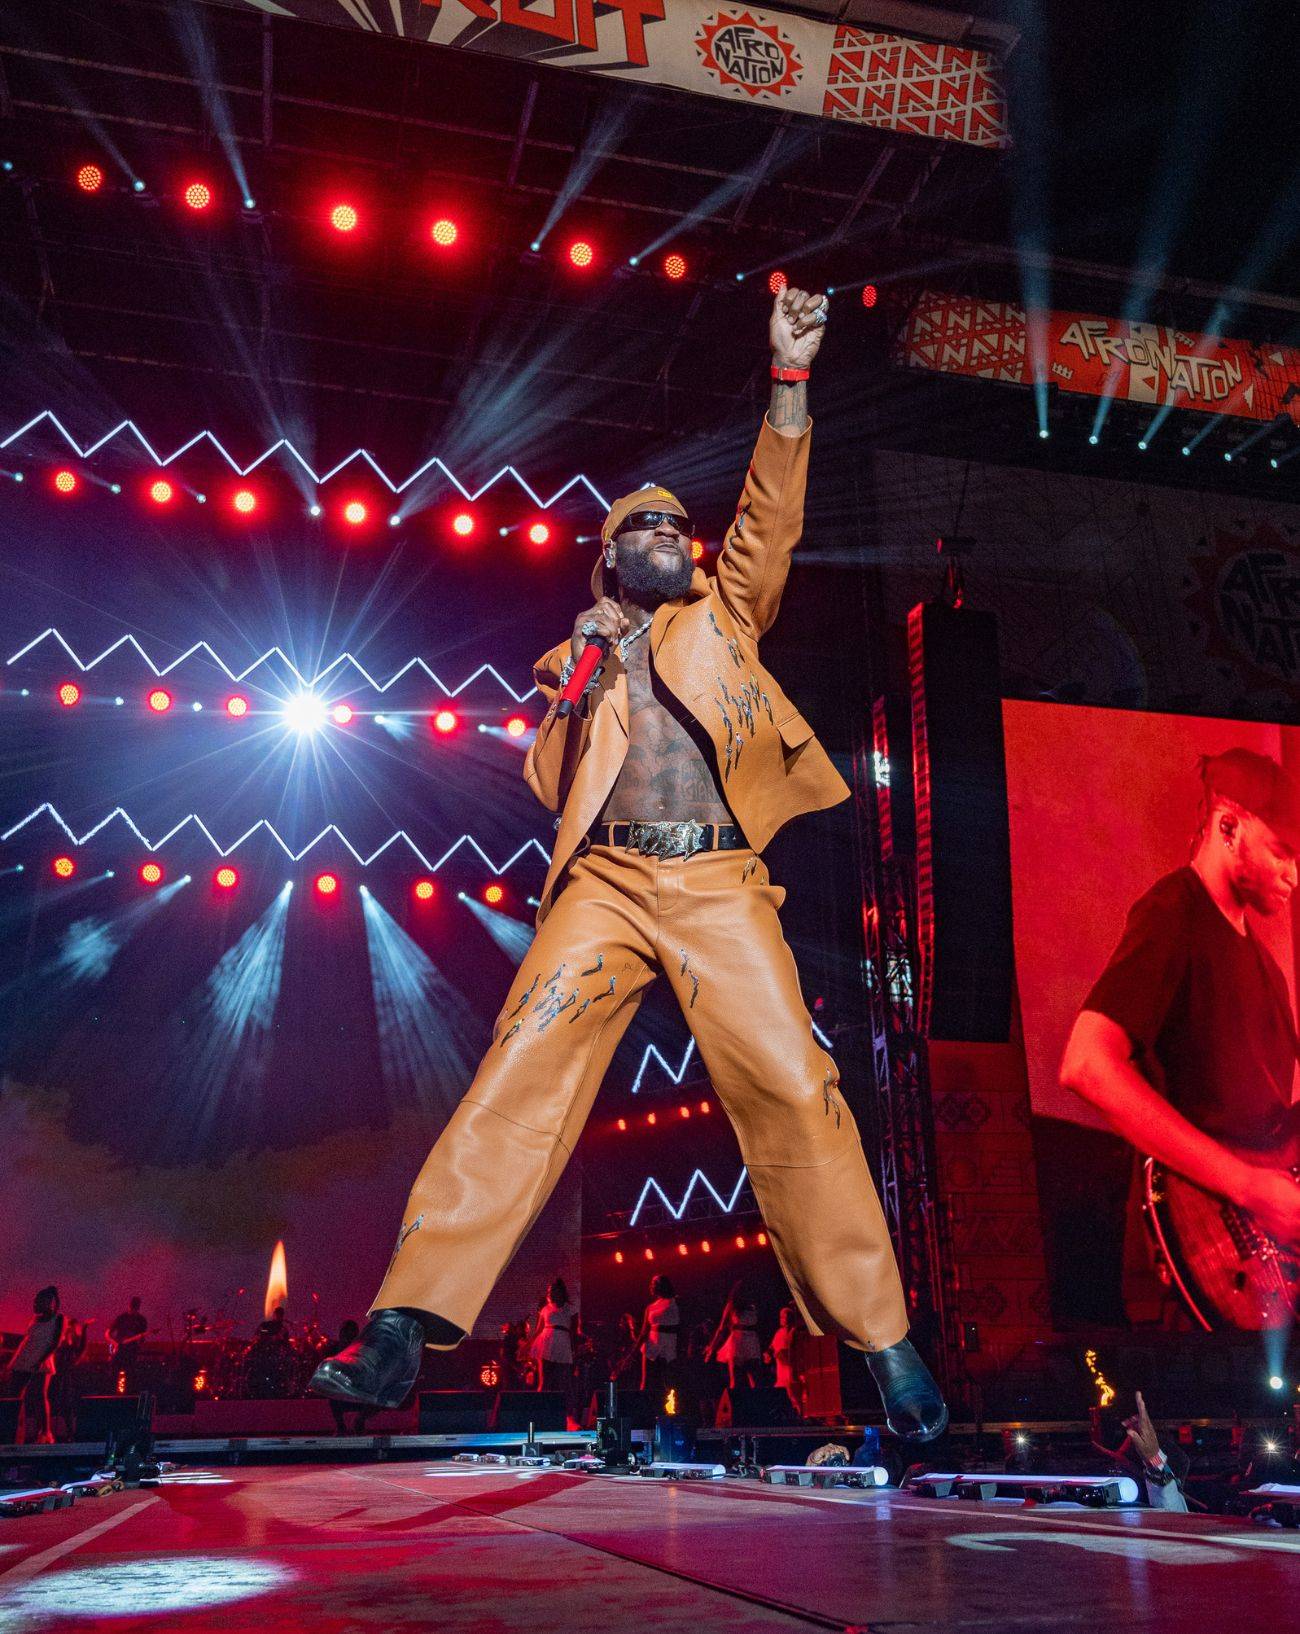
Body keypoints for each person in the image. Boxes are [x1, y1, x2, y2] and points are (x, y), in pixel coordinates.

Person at [311, 286, 946, 1443]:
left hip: (714, 880)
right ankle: (405, 1318)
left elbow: (769, 518)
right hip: (603, 884)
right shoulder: (577, 650)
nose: (668, 541)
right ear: (607, 562)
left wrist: (789, 383)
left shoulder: (727, 618)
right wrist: (577, 677)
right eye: (643, 533)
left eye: (676, 531)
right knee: (519, 1070)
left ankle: (884, 1335)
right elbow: (552, 784)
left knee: (796, 1087)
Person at [1059, 750, 1300, 1319]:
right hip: (1197, 1248)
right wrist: (1248, 1188)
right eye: (1282, 852)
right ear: (1228, 827)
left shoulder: (1266, 968)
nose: (1294, 873)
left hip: (1264, 1255)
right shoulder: (1174, 912)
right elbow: (1087, 1064)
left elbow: (1268, 1126)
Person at [7, 1287, 64, 1444]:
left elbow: (55, 1343)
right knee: (14, 1396)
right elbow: (26, 1342)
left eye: (38, 1301)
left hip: (41, 1361)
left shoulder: (58, 1318)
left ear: (48, 1302)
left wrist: (40, 1360)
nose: (35, 1304)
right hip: (24, 1360)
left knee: (40, 1396)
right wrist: (13, 1362)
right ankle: (14, 1430)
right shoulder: (35, 1318)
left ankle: (45, 1433)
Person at [706, 1279, 763, 1391]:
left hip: (751, 1341)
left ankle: (756, 1405)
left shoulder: (753, 1306)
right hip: (738, 1340)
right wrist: (712, 1347)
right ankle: (735, 1404)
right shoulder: (732, 1306)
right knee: (736, 1380)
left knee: (754, 1380)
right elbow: (721, 1328)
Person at [637, 1274, 679, 1405]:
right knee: (647, 1380)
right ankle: (643, 1410)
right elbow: (644, 1331)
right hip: (651, 1344)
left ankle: (671, 1410)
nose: (651, 1285)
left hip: (668, 1343)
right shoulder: (650, 1307)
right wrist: (632, 1351)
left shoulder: (675, 1301)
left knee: (669, 1380)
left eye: (654, 1283)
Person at [532, 1278, 578, 1394]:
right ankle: (541, 1407)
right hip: (546, 1341)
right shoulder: (545, 1309)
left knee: (565, 1381)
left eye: (552, 1290)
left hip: (563, 1343)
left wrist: (574, 1349)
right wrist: (528, 1344)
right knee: (544, 1381)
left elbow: (574, 1331)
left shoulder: (570, 1309)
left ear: (560, 1291)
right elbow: (538, 1330)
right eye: (549, 1291)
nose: (550, 1293)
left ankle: (568, 1410)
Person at [766, 1304, 803, 1416]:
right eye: (781, 1317)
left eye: (786, 1317)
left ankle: (800, 1415)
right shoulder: (779, 1332)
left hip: (790, 1369)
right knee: (780, 1393)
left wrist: (784, 1353)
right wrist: (768, 1353)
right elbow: (772, 1347)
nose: (783, 1319)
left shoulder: (793, 1332)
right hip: (780, 1371)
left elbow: (795, 1350)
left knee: (793, 1393)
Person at [107, 1296, 148, 1386]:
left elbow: (142, 1339)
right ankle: (112, 1393)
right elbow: (108, 1333)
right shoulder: (122, 1318)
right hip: (120, 1350)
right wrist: (115, 1344)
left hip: (132, 1351)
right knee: (114, 1373)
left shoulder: (141, 1320)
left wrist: (138, 1343)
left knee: (130, 1375)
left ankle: (128, 1395)